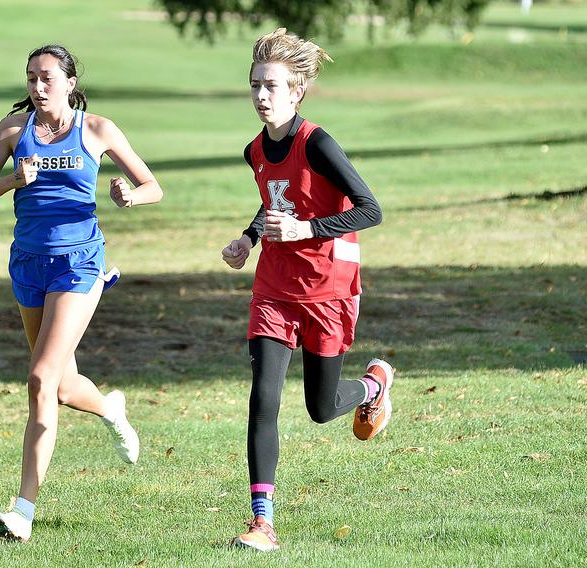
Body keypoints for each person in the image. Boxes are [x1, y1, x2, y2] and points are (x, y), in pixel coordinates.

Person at [0, 44, 163, 543]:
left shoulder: (97, 129)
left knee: (38, 379)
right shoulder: (13, 132)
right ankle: (112, 409)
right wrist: (12, 180)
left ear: (71, 83)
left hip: (80, 264)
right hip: (29, 266)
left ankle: (22, 511)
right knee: (63, 385)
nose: (38, 86)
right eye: (31, 77)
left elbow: (152, 185)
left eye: (47, 77)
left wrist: (129, 195)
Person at [221, 28, 393, 552]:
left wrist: (306, 230)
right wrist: (249, 238)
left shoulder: (317, 143)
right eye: (255, 85)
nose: (261, 95)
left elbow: (371, 208)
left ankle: (373, 387)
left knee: (321, 408)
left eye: (272, 86)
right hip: (274, 286)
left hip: (328, 287)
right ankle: (262, 521)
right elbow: (276, 199)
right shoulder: (254, 150)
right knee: (263, 398)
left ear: (297, 92)